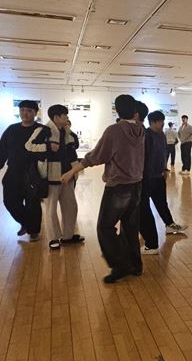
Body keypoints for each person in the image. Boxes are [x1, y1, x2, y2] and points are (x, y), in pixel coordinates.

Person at [62, 94, 145, 284]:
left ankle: (120, 264)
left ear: (116, 109)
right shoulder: (141, 130)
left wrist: (72, 171)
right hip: (136, 186)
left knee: (105, 228)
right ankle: (135, 265)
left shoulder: (114, 131)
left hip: (118, 187)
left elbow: (96, 156)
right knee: (130, 228)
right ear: (135, 111)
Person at [26, 104, 84, 250]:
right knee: (51, 208)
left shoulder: (66, 131)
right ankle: (53, 238)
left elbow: (73, 147)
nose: (67, 118)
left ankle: (68, 236)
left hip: (68, 175)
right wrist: (47, 147)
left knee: (71, 206)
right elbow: (29, 146)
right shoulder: (43, 130)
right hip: (51, 176)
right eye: (64, 116)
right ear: (56, 117)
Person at [0, 100, 44, 241]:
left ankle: (33, 231)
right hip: (14, 170)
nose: (25, 113)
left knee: (32, 202)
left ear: (35, 113)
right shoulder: (12, 129)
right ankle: (26, 223)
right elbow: (2, 149)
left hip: (34, 171)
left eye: (29, 111)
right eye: (22, 110)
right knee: (9, 200)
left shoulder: (42, 130)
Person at [139, 110, 188, 254]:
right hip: (147, 178)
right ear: (153, 122)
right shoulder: (146, 136)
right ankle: (144, 235)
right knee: (144, 208)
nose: (163, 123)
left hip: (159, 176)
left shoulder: (161, 134)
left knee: (161, 202)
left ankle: (170, 225)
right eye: (160, 121)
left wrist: (165, 169)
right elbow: (145, 158)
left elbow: (162, 153)